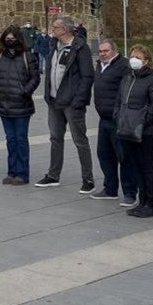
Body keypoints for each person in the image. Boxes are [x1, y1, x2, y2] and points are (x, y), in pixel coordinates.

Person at [36, 16, 95, 191]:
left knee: (79, 139)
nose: (52, 30)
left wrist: (79, 100)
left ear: (65, 29)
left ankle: (88, 178)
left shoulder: (80, 48)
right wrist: (47, 94)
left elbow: (87, 76)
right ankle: (53, 175)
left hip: (72, 102)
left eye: (55, 27)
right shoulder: (54, 45)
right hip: (54, 101)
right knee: (55, 138)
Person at [116, 45, 153, 218]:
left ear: (146, 61)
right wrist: (119, 116)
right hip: (127, 128)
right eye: (132, 56)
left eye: (138, 57)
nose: (134, 59)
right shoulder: (128, 77)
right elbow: (120, 100)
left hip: (145, 131)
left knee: (147, 166)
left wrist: (141, 122)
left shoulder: (152, 79)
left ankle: (151, 204)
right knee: (135, 166)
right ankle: (142, 202)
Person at [0, 25, 42, 186]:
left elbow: (35, 78)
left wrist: (25, 91)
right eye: (7, 38)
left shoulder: (28, 56)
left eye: (13, 38)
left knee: (20, 139)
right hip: (4, 103)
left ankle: (22, 173)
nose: (10, 41)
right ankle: (11, 171)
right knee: (10, 139)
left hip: (21, 105)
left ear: (18, 39)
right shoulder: (0, 56)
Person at [90, 40, 135, 205]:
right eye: (100, 51)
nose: (102, 53)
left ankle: (130, 192)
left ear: (114, 51)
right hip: (104, 118)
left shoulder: (124, 66)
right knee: (104, 155)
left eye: (106, 51)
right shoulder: (100, 65)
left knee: (124, 157)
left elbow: (128, 90)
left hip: (119, 119)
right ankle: (110, 188)